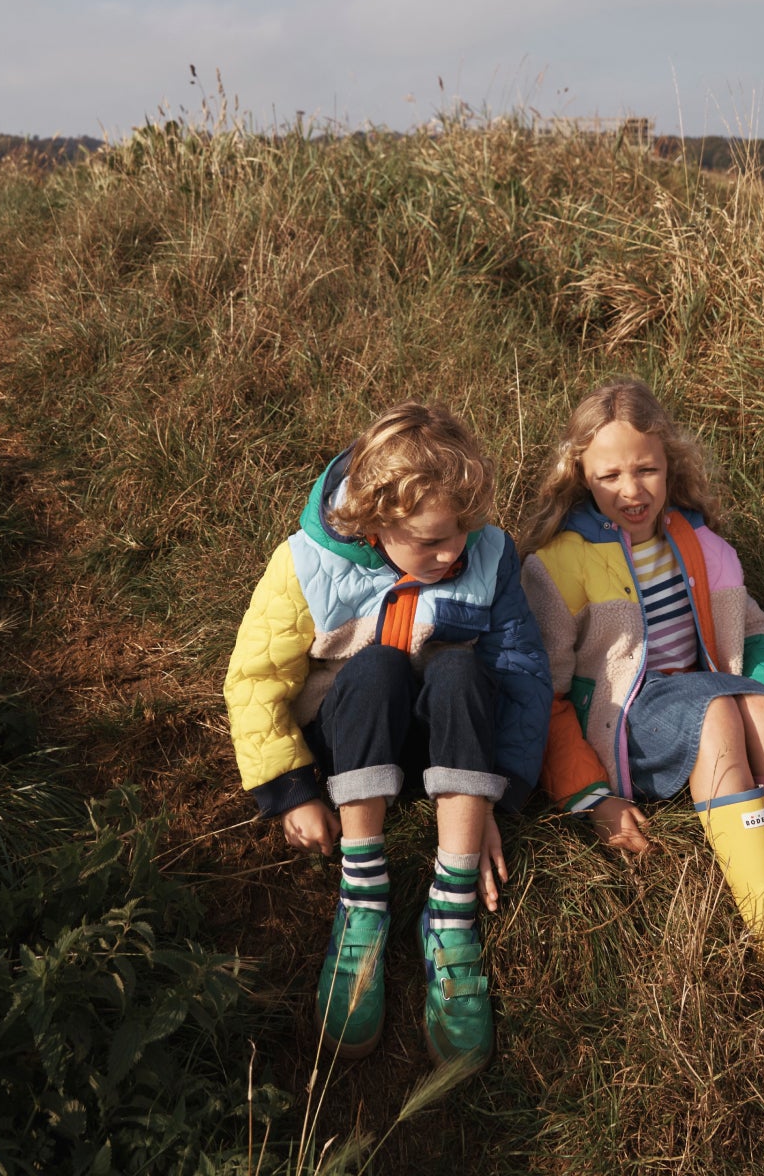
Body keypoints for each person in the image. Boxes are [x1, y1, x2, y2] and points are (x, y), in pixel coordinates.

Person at [519, 377, 764, 1035]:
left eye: (647, 469)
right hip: (626, 727)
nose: (632, 490)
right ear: (580, 474)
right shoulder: (558, 564)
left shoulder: (699, 541)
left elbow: (755, 629)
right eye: (610, 474)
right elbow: (546, 693)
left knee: (752, 703)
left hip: (709, 700)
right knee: (720, 709)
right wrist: (592, 795)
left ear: (670, 463)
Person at [224, 401, 552, 1072]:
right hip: (354, 739)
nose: (451, 551)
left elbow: (521, 674)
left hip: (445, 739)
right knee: (373, 666)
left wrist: (497, 792)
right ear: (376, 524)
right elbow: (255, 679)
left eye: (461, 531)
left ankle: (451, 915)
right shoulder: (306, 566)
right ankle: (363, 901)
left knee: (464, 668)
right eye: (431, 541)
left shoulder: (488, 556)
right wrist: (289, 790)